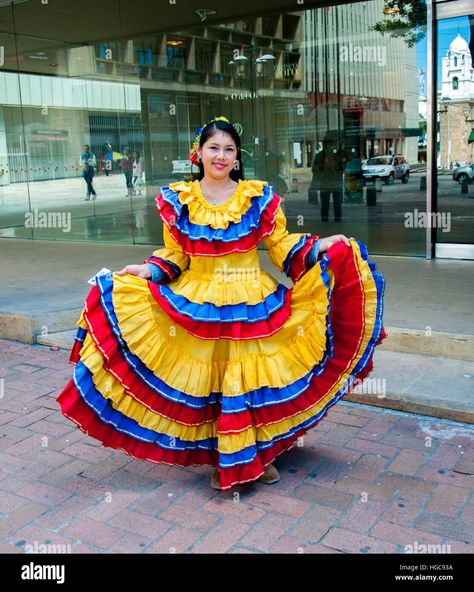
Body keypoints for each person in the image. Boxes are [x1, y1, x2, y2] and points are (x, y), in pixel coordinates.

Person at [57, 116, 387, 492]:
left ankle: (255, 456)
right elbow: (176, 255)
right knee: (210, 387)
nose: (221, 156)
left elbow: (281, 249)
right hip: (199, 302)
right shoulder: (179, 200)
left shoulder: (258, 197)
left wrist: (321, 247)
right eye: (214, 148)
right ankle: (224, 459)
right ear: (198, 153)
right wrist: (147, 270)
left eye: (229, 150)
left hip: (251, 300)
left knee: (251, 383)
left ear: (236, 156)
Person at [311, 137, 348, 222]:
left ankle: (338, 221)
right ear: (325, 145)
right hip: (325, 184)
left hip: (336, 183)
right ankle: (325, 221)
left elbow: (344, 167)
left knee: (338, 204)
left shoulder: (338, 155)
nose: (331, 147)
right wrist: (322, 175)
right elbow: (314, 169)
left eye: (332, 145)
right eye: (329, 145)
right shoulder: (320, 155)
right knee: (324, 205)